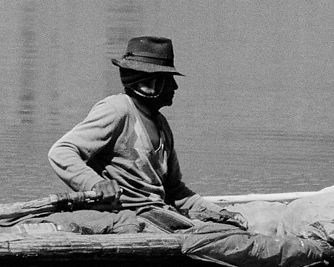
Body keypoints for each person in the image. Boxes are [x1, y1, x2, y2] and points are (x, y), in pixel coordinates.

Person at [48, 36, 247, 231]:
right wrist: (96, 183)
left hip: (156, 213)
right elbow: (61, 151)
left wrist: (219, 213)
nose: (175, 87)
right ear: (150, 84)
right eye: (168, 80)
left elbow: (175, 191)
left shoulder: (162, 125)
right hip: (126, 216)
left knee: (226, 230)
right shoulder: (117, 110)